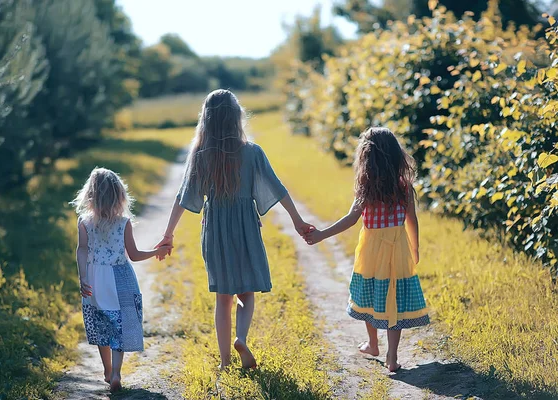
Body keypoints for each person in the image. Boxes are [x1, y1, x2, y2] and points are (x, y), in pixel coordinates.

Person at [155, 89, 313, 369]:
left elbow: (183, 196)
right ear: (237, 118)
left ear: (206, 120)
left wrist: (168, 234)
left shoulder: (201, 155)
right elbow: (278, 188)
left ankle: (225, 362)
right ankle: (241, 337)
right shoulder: (252, 152)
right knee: (246, 292)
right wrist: (297, 220)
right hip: (246, 228)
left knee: (223, 298)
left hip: (215, 228)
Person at [304, 127, 429, 372]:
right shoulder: (403, 185)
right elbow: (411, 219)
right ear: (396, 155)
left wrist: (321, 235)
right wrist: (415, 248)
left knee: (370, 293)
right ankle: (392, 356)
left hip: (371, 249)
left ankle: (373, 344)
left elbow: (351, 219)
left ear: (366, 158)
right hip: (397, 248)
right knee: (395, 296)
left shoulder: (366, 186)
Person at [71, 167, 171, 392]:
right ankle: (116, 372)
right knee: (120, 325)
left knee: (101, 324)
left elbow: (82, 250)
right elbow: (134, 255)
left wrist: (83, 278)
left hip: (95, 279)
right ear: (119, 195)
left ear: (90, 195)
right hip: (120, 277)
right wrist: (156, 252)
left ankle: (106, 370)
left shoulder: (84, 222)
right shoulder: (123, 222)